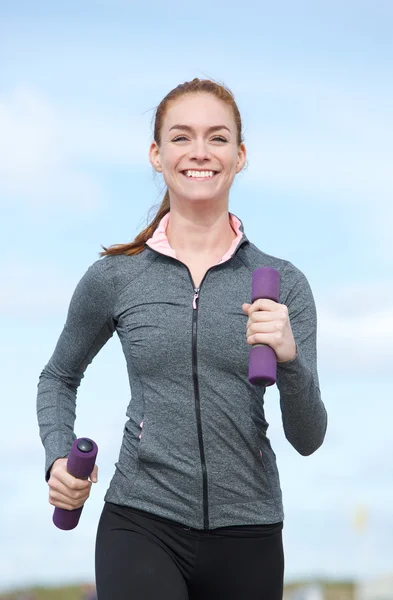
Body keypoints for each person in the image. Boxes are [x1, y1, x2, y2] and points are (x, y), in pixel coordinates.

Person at [37, 78, 328, 600]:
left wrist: (290, 360)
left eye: (218, 139)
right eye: (181, 137)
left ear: (240, 157)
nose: (200, 152)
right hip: (142, 520)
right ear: (156, 154)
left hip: (250, 529)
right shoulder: (115, 277)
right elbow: (58, 376)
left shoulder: (284, 283)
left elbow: (308, 438)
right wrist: (58, 457)